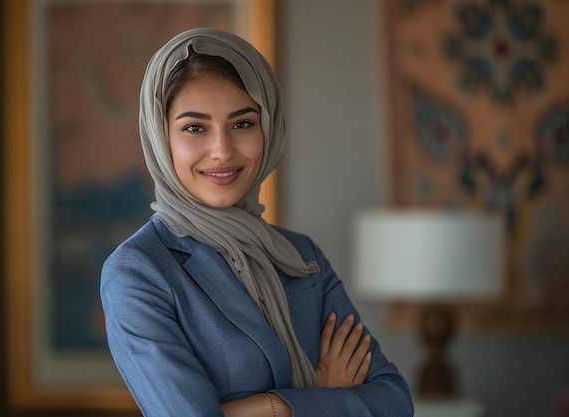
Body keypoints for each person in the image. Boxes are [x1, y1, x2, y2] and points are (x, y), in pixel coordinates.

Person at [100, 27, 413, 417]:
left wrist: (266, 407)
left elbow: (394, 402)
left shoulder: (300, 256)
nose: (222, 150)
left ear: (269, 128)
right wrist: (317, 396)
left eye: (243, 123)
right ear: (160, 137)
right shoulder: (138, 272)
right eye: (194, 127)